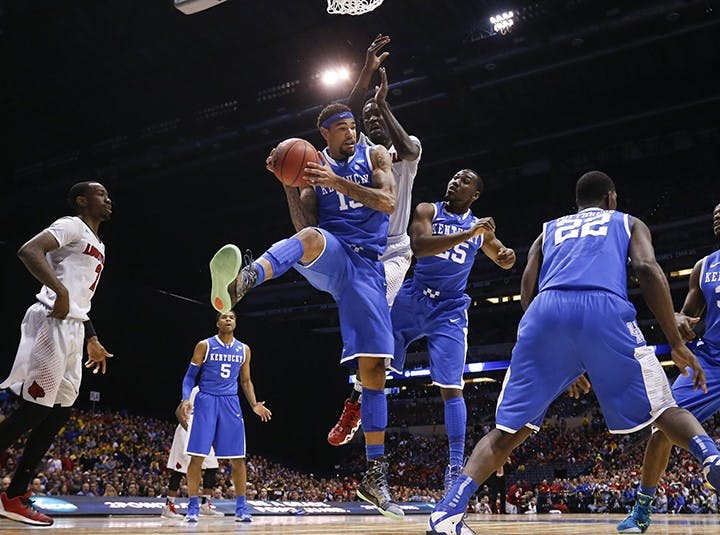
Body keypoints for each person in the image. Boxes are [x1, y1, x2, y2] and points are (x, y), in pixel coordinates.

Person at [426, 171, 720, 534]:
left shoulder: (548, 229)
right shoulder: (626, 222)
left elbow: (526, 288)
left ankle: (447, 512)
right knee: (663, 409)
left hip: (544, 314)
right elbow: (646, 268)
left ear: (577, 203)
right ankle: (711, 459)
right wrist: (674, 341)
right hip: (604, 308)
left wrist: (562, 357)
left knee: (508, 430)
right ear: (610, 198)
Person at [209, 103, 405, 519]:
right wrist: (288, 181)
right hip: (333, 256)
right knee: (313, 236)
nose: (350, 132)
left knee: (375, 371)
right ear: (324, 133)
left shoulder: (375, 156)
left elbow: (388, 202)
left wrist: (337, 181)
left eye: (353, 126)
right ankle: (246, 278)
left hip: (368, 267)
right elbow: (305, 224)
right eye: (340, 128)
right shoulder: (313, 167)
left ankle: (374, 475)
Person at [391, 169, 515, 497]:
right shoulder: (427, 210)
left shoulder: (481, 229)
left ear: (474, 195)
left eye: (464, 181)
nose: (454, 182)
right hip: (415, 296)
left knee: (451, 387)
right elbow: (418, 246)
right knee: (377, 359)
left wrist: (505, 257)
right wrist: (468, 233)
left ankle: (455, 468)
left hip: (449, 309)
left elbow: (500, 255)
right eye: (454, 177)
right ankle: (356, 403)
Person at [0, 181, 114, 527]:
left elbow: (81, 298)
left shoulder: (99, 244)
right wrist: (59, 290)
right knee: (35, 408)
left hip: (75, 327)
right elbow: (28, 251)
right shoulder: (71, 225)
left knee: (59, 414)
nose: (108, 200)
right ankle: (13, 495)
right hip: (52, 320)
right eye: (101, 195)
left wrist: (92, 337)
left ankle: (14, 495)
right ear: (82, 200)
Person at [328, 34, 422, 448]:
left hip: (394, 250)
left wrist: (381, 100)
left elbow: (407, 148)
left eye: (378, 114)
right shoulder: (362, 153)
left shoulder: (405, 148)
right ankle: (357, 398)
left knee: (375, 319)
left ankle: (354, 405)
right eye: (367, 117)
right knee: (370, 334)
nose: (373, 119)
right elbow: (341, 113)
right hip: (358, 249)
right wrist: (364, 75)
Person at [617, 201, 720, 533]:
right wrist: (679, 320)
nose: (717, 214)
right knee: (663, 425)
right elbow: (683, 317)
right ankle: (642, 509)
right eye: (715, 211)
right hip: (710, 361)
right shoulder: (703, 267)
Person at [178, 311, 271, 523]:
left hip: (231, 403)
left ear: (236, 323)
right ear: (217, 322)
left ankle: (241, 508)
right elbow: (189, 376)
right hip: (206, 401)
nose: (228, 319)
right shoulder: (205, 345)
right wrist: (185, 399)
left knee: (238, 459)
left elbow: (246, 381)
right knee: (196, 457)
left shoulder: (244, 349)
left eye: (232, 317)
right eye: (224, 317)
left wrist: (254, 404)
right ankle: (193, 507)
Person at [161, 385, 223, 519]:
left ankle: (205, 505)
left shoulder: (216, 392)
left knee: (212, 465)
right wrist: (189, 429)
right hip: (186, 431)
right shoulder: (195, 390)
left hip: (202, 433)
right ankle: (168, 507)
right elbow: (178, 411)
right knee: (180, 469)